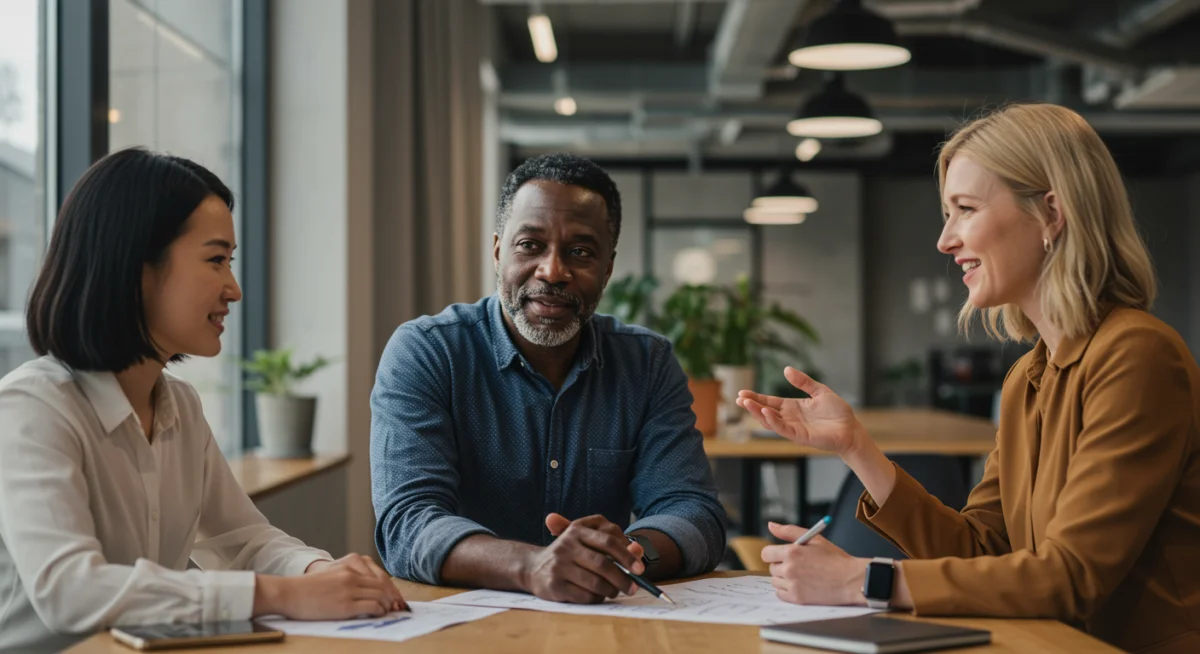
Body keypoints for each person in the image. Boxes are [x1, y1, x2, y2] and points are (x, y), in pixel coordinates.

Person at [737, 103, 1200, 654]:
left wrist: (861, 580)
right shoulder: (1028, 376)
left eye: (965, 209)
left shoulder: (1138, 356)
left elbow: (1071, 578)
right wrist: (858, 448)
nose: (945, 240)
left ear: (1052, 213)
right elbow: (983, 549)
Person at [0, 148, 406, 651]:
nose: (233, 289)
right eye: (216, 260)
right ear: (135, 266)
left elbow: (240, 540)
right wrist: (286, 594)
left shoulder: (180, 407)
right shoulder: (31, 408)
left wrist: (322, 572)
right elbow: (70, 590)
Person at [371, 153, 726, 604]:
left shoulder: (646, 363)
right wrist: (532, 566)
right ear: (499, 250)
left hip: (605, 621)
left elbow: (695, 513)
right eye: (530, 245)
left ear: (608, 268)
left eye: (580, 251)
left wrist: (620, 557)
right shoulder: (428, 352)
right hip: (459, 625)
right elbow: (407, 522)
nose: (553, 271)